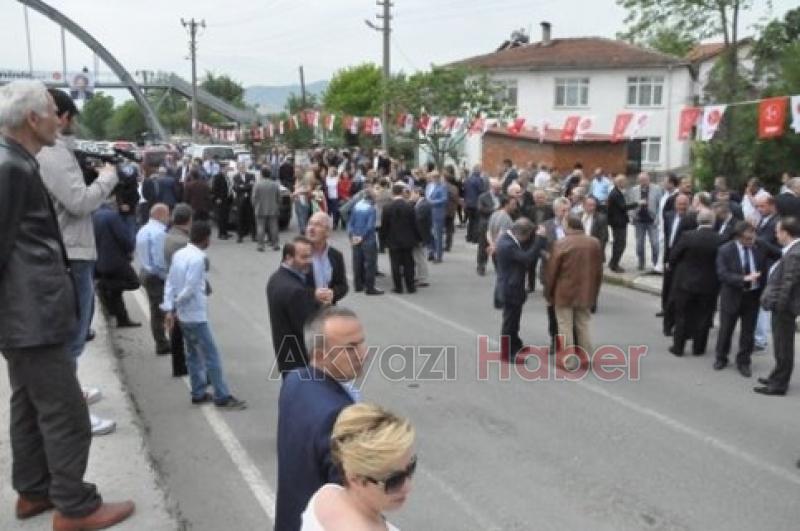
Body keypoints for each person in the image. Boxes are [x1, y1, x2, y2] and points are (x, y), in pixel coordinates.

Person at [0, 79, 134, 530]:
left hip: (25, 313)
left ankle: (33, 490)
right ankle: (75, 506)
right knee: (67, 413)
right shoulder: (11, 167)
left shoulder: (16, 161)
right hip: (31, 314)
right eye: (51, 112)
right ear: (32, 119)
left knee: (28, 405)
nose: (59, 121)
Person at [37, 88, 120, 435]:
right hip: (72, 252)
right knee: (73, 337)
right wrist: (107, 178)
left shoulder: (55, 150)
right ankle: (74, 414)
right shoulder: (53, 152)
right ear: (62, 117)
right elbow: (79, 202)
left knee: (74, 335)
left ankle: (71, 394)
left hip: (69, 249)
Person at [276, 307, 369, 531]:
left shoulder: (295, 380)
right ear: (319, 355)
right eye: (350, 348)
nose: (363, 354)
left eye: (362, 343)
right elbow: (352, 498)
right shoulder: (339, 417)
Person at [162, 221, 246, 409]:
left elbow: (170, 282)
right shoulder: (198, 259)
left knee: (192, 353)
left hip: (184, 315)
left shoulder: (179, 254)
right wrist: (174, 306)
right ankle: (222, 395)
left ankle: (198, 392)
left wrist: (170, 307)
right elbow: (190, 288)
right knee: (211, 356)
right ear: (206, 239)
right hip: (195, 315)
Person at [302, 403, 415, 531]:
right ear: (355, 479)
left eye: (411, 467)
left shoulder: (326, 496)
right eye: (394, 481)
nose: (408, 487)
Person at [546, 215, 603, 369]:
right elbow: (598, 270)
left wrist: (549, 293)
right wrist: (595, 291)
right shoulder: (594, 243)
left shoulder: (561, 243)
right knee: (583, 324)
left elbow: (552, 271)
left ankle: (568, 360)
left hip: (564, 291)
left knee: (564, 325)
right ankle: (587, 357)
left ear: (569, 226)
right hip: (585, 290)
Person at [714, 222, 767, 378]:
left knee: (748, 332)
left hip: (752, 296)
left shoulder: (758, 248)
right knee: (726, 329)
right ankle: (721, 357)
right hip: (732, 295)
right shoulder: (725, 250)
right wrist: (743, 279)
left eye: (753, 237)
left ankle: (744, 361)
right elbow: (722, 274)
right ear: (738, 237)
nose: (751, 241)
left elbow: (767, 266)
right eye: (748, 239)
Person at [667, 210, 722, 357]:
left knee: (682, 315)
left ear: (698, 220)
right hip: (709, 284)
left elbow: (673, 256)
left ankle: (678, 347)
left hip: (686, 282)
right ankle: (699, 348)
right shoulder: (720, 239)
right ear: (713, 222)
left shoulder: (688, 236)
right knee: (704, 316)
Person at [756, 216, 800, 396]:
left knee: (783, 347)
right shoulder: (792, 250)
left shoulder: (795, 253)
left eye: (777, 232)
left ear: (785, 233)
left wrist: (779, 306)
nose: (776, 235)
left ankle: (779, 384)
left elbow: (788, 283)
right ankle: (777, 376)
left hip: (784, 309)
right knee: (780, 345)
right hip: (783, 307)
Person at [267, 237, 321, 375]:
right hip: (301, 360)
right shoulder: (295, 291)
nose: (309, 261)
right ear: (288, 258)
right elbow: (308, 328)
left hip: (286, 356)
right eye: (304, 257)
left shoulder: (275, 278)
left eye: (310, 256)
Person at [495, 219, 545, 362]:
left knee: (515, 319)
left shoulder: (510, 239)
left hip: (514, 286)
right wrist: (539, 239)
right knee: (509, 322)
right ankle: (506, 353)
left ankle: (515, 344)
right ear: (522, 234)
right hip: (509, 288)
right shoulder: (507, 245)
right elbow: (527, 258)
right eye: (528, 236)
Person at [93, 198, 141, 330]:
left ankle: (122, 318)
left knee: (116, 292)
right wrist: (129, 250)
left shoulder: (94, 216)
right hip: (115, 260)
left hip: (100, 261)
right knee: (134, 282)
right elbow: (124, 238)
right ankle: (104, 286)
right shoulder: (112, 217)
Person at [136, 203, 171, 355]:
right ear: (160, 215)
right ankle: (162, 343)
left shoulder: (143, 229)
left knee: (155, 308)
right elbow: (159, 261)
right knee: (159, 311)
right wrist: (168, 277)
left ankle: (161, 341)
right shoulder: (159, 233)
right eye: (168, 215)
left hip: (145, 271)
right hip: (155, 275)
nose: (169, 218)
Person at [163, 203, 193, 378]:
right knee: (192, 331)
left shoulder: (168, 236)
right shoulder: (184, 242)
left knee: (177, 330)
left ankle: (179, 365)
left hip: (173, 286)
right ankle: (193, 368)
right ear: (189, 220)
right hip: (183, 289)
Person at [659, 194, 697, 331]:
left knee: (676, 288)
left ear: (688, 205)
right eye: (679, 204)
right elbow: (667, 235)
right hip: (669, 252)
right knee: (667, 284)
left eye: (684, 204)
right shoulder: (668, 216)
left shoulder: (691, 220)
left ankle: (673, 315)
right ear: (675, 205)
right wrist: (666, 257)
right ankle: (665, 310)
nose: (682, 207)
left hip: (681, 257)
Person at [753, 194, 782, 350]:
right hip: (761, 267)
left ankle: (760, 339)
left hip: (769, 268)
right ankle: (758, 337)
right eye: (757, 206)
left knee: (763, 305)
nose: (759, 209)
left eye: (762, 206)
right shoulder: (764, 219)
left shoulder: (777, 222)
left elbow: (780, 251)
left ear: (772, 205)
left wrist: (759, 240)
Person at [381, 183, 420, 294]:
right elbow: (414, 224)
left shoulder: (387, 207)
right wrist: (418, 238)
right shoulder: (409, 207)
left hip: (393, 240)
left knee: (395, 264)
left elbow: (384, 226)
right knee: (409, 264)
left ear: (392, 193)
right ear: (402, 192)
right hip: (408, 239)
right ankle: (410, 286)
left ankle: (398, 287)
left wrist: (383, 240)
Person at [306, 212, 349, 305]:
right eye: (310, 224)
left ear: (328, 232)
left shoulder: (336, 255)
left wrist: (333, 293)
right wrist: (313, 294)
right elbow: (288, 284)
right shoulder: (297, 253)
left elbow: (343, 286)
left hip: (327, 309)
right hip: (305, 310)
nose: (311, 228)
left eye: (317, 225)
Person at [348, 189, 383, 295]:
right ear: (372, 198)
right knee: (370, 264)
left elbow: (350, 223)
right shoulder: (371, 209)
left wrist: (352, 235)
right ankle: (369, 287)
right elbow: (370, 226)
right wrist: (362, 236)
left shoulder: (356, 206)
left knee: (357, 262)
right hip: (368, 239)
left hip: (355, 237)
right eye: (376, 196)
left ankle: (358, 285)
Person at [630, 172, 663, 271]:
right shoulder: (634, 190)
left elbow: (660, 205)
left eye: (645, 180)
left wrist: (658, 218)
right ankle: (641, 262)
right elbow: (631, 205)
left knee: (655, 243)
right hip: (639, 221)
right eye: (641, 180)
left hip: (652, 220)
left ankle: (655, 263)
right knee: (639, 244)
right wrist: (632, 216)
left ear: (649, 179)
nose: (643, 182)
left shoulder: (657, 189)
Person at [607, 174, 637, 273]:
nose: (626, 183)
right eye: (624, 181)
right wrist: (637, 203)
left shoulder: (616, 192)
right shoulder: (615, 194)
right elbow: (623, 207)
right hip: (618, 223)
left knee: (618, 243)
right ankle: (614, 264)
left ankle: (613, 262)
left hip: (618, 222)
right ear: (619, 183)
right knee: (620, 244)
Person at [252, 166, 282, 252]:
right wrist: (278, 206)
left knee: (260, 227)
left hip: (260, 208)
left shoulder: (257, 184)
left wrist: (255, 206)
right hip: (273, 208)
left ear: (261, 174)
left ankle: (260, 245)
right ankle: (275, 244)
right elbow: (279, 198)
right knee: (274, 227)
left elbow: (254, 198)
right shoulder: (275, 184)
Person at [476, 178, 502, 275]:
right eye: (496, 188)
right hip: (485, 224)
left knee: (497, 245)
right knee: (483, 246)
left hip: (498, 225)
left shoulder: (502, 197)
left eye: (499, 188)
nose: (498, 190)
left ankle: (498, 266)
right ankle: (481, 265)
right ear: (491, 187)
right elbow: (480, 209)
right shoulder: (483, 197)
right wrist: (494, 210)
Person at [425, 171, 448, 263]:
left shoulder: (443, 186)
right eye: (432, 177)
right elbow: (427, 196)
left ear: (439, 177)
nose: (434, 178)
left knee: (437, 235)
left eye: (436, 177)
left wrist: (433, 202)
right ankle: (431, 252)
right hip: (428, 212)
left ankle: (439, 256)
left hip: (438, 212)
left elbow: (444, 199)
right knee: (429, 233)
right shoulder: (429, 186)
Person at [412, 187, 432, 288]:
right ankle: (419, 276)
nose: (412, 196)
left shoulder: (423, 205)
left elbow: (418, 221)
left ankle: (423, 278)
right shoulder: (421, 204)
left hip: (421, 236)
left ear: (418, 193)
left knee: (420, 258)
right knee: (418, 257)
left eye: (413, 194)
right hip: (421, 235)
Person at [232, 163, 257, 243]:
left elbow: (252, 186)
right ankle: (240, 237)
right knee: (240, 219)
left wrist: (242, 186)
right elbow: (236, 188)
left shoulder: (251, 175)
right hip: (240, 201)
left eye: (243, 167)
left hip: (249, 201)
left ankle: (254, 236)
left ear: (245, 168)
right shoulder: (235, 177)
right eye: (240, 167)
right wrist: (246, 186)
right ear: (238, 168)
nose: (242, 169)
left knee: (252, 219)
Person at [582, 196, 609, 263]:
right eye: (590, 205)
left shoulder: (601, 218)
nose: (592, 208)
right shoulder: (577, 216)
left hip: (593, 250)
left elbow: (604, 237)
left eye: (594, 205)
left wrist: (598, 252)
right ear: (584, 206)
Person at [463, 164, 486, 243]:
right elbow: (481, 191)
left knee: (470, 221)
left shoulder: (468, 179)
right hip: (476, 203)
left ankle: (469, 236)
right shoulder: (479, 180)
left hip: (468, 203)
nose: (481, 171)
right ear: (478, 170)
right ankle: (475, 238)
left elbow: (465, 190)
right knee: (476, 221)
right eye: (481, 169)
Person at [210, 167, 231, 239]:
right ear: (221, 169)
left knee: (226, 217)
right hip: (220, 199)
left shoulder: (226, 177)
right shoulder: (218, 177)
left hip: (227, 199)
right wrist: (217, 198)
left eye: (227, 169)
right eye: (225, 169)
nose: (226, 170)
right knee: (221, 217)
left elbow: (228, 186)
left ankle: (225, 232)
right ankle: (221, 234)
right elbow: (214, 188)